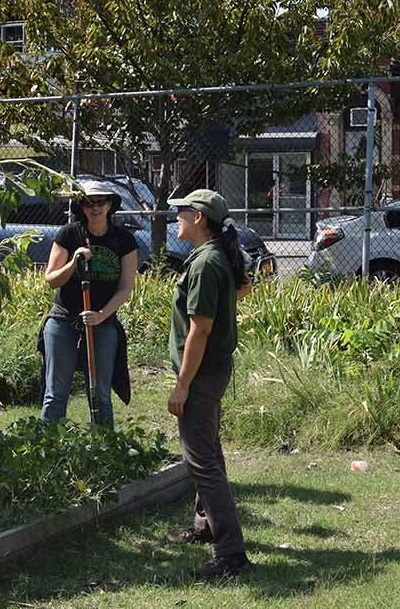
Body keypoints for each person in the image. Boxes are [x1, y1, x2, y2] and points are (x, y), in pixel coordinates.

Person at [164, 188, 252, 579]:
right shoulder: (214, 256)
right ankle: (205, 527)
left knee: (201, 462)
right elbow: (243, 288)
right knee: (209, 451)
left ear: (198, 217)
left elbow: (199, 330)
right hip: (215, 370)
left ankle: (231, 554)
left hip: (201, 374)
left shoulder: (204, 264)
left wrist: (182, 385)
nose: (176, 219)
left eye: (180, 212)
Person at [40, 179, 138, 427]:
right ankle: (48, 450)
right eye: (89, 203)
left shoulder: (123, 240)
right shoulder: (69, 234)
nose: (95, 208)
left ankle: (103, 451)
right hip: (63, 321)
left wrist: (101, 315)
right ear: (81, 207)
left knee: (100, 393)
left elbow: (126, 287)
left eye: (101, 202)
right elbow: (51, 279)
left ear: (110, 206)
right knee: (55, 394)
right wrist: (73, 263)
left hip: (103, 323)